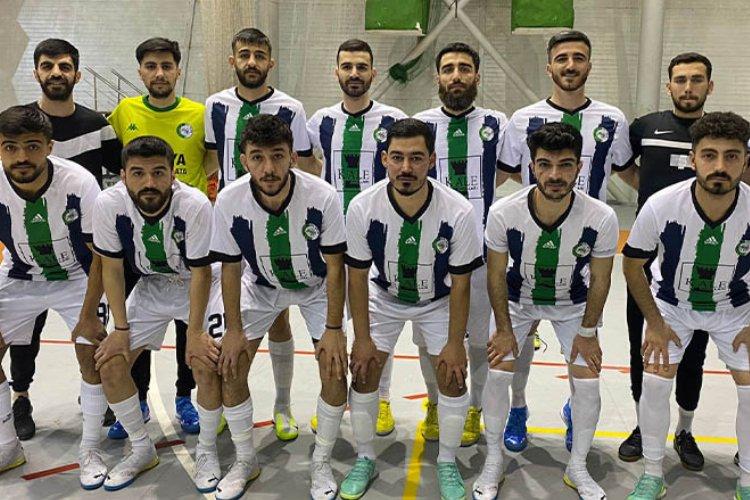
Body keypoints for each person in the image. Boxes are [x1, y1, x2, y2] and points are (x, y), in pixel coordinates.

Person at [497, 29, 632, 452]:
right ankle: (517, 408)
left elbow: (630, 173)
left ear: (589, 64)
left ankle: (575, 410)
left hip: (586, 252)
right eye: (562, 58)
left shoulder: (612, 119)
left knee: (583, 344)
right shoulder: (523, 119)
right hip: (531, 246)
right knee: (517, 343)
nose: (570, 65)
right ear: (549, 66)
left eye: (578, 57)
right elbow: (506, 172)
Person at [475, 122, 617, 500]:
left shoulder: (600, 216)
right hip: (518, 300)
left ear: (579, 167)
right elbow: (495, 274)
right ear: (531, 167)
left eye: (565, 165)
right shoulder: (504, 212)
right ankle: (494, 461)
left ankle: (577, 467)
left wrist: (588, 333)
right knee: (498, 373)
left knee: (588, 381)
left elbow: (601, 279)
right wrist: (504, 329)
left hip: (573, 304)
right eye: (545, 164)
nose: (555, 174)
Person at [342, 118, 482, 500]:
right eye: (398, 157)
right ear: (384, 159)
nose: (406, 167)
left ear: (432, 160)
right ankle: (365, 457)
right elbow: (357, 277)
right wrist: (362, 338)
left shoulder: (458, 211)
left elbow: (462, 284)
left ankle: (447, 461)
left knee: (453, 377)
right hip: (384, 296)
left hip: (438, 300)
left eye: (417, 158)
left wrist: (455, 343)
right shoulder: (362, 207)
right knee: (365, 372)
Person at [211, 114, 347, 500]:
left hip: (315, 287)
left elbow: (335, 267)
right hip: (261, 286)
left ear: (293, 157)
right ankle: (245, 460)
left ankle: (321, 461)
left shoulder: (322, 196)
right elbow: (230, 268)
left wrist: (334, 329)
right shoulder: (230, 200)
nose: (268, 168)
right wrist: (233, 329)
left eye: (277, 156)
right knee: (230, 367)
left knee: (335, 370)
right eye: (257, 157)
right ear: (243, 160)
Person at [622, 111, 750, 500]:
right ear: (693, 159)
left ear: (746, 161)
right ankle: (652, 474)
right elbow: (632, 265)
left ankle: (747, 480)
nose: (720, 166)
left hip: (735, 309)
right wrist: (655, 322)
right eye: (709, 155)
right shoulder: (662, 204)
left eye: (731, 156)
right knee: (656, 380)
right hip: (672, 306)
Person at [204, 28, 320, 441]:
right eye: (244, 54)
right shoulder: (215, 105)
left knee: (280, 317)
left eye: (258, 55)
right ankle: (222, 403)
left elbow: (306, 164)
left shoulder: (291, 107)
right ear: (232, 60)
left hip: (283, 223)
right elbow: (211, 161)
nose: (251, 62)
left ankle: (282, 406)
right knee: (230, 317)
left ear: (271, 62)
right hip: (237, 225)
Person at [92, 135, 222, 491]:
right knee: (110, 362)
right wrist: (120, 329)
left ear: (172, 175)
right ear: (123, 176)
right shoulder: (108, 204)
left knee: (205, 362)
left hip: (199, 283)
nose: (149, 182)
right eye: (138, 173)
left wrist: (194, 334)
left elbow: (201, 273)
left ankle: (207, 450)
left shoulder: (194, 204)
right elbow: (111, 268)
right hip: (152, 284)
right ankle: (141, 448)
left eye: (158, 173)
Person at [8, 38, 123, 440]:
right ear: (36, 73)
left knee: (91, 335)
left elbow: (122, 174)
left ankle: (93, 395)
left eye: (63, 66)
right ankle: (21, 398)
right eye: (47, 66)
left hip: (81, 254)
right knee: (24, 336)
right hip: (31, 252)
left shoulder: (98, 124)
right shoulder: (20, 124)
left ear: (77, 73)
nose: (56, 73)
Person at [107, 37, 215, 437]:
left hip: (188, 231)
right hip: (140, 232)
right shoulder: (124, 112)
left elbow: (210, 161)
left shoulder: (199, 114)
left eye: (167, 66)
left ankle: (185, 397)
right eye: (151, 66)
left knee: (191, 326)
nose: (159, 73)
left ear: (178, 71)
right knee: (137, 320)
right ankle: (136, 399)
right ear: (140, 72)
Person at [0, 105, 108, 489]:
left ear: (49, 147)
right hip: (20, 273)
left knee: (91, 355)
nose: (21, 157)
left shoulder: (79, 183)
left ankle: (90, 449)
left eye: (32, 146)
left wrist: (90, 314)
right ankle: (6, 447)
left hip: (79, 275)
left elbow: (100, 255)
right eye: (10, 147)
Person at [616, 52, 715, 469]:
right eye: (681, 79)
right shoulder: (644, 128)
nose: (688, 87)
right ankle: (644, 424)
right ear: (669, 85)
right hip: (646, 260)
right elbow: (625, 170)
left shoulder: (721, 132)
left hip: (702, 259)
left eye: (697, 80)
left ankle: (685, 429)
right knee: (642, 345)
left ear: (710, 86)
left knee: (694, 352)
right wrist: (653, 199)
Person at [306, 37, 407, 436]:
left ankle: (381, 398)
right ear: (336, 72)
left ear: (373, 73)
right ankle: (333, 397)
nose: (354, 73)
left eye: (361, 67)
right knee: (333, 320)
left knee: (376, 323)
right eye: (347, 66)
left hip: (379, 235)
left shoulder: (393, 119)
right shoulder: (321, 121)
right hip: (333, 237)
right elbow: (308, 166)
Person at [410, 41, 507, 446]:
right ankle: (435, 403)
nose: (456, 76)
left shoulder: (498, 123)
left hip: (480, 257)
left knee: (480, 340)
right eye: (448, 68)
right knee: (427, 339)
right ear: (437, 77)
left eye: (464, 68)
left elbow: (505, 171)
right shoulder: (420, 123)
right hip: (428, 256)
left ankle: (474, 408)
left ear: (477, 76)